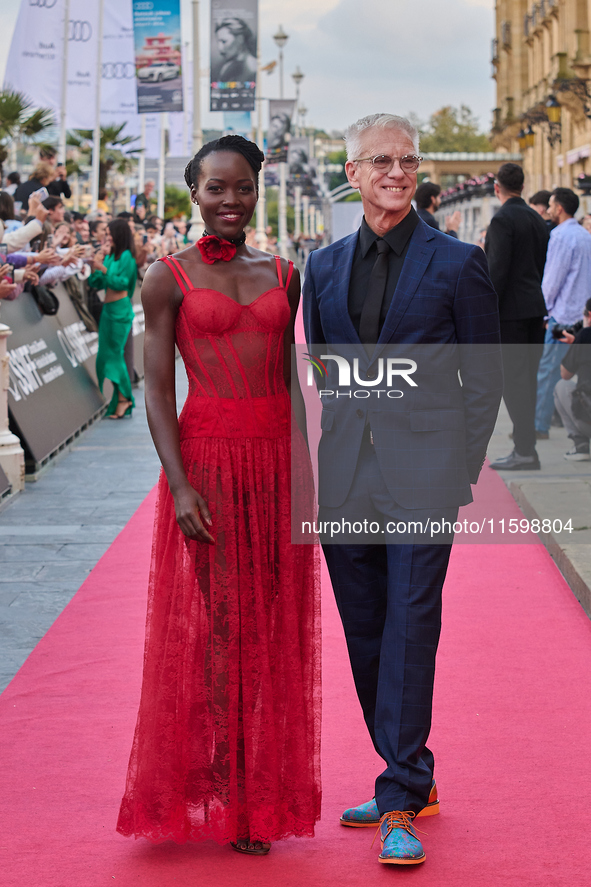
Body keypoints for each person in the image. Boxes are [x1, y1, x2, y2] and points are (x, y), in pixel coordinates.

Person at [303, 113, 502, 866]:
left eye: (407, 160)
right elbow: (328, 373)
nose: (396, 171)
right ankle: (410, 769)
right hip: (348, 479)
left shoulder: (456, 263)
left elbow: (484, 382)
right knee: (365, 632)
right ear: (350, 173)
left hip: (424, 480)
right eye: (380, 160)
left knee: (411, 628)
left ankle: (396, 798)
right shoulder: (320, 270)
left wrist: (456, 470)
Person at [116, 134, 320, 854]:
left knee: (265, 623)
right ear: (194, 193)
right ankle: (230, 781)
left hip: (273, 464)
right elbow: (158, 386)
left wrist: (306, 476)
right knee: (224, 624)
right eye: (215, 189)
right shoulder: (165, 277)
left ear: (258, 189)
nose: (229, 201)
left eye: (241, 188)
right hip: (208, 467)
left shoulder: (288, 274)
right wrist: (177, 483)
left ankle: (245, 768)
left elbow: (293, 385)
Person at [485, 162, 549, 471]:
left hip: (509, 313)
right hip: (534, 309)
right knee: (529, 382)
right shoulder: (536, 219)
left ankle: (524, 450)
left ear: (497, 188)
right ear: (522, 186)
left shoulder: (502, 220)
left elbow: (496, 271)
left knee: (512, 383)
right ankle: (527, 447)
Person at [535, 187, 591, 437]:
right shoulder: (585, 235)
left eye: (550, 204)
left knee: (548, 373)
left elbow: (552, 280)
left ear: (559, 207)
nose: (548, 209)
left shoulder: (559, 236)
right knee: (582, 374)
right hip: (583, 316)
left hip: (562, 316)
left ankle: (539, 425)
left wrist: (545, 313)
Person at [88, 218, 137, 418]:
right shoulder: (110, 257)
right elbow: (96, 282)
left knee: (115, 355)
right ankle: (120, 398)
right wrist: (96, 266)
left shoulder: (127, 257)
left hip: (120, 311)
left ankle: (125, 398)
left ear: (118, 234)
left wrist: (102, 268)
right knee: (105, 356)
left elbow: (122, 283)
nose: (106, 237)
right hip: (108, 311)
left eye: (109, 233)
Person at [554, 297, 591, 460]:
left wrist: (577, 344)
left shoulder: (585, 335)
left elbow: (565, 373)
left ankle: (580, 445)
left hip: (587, 421)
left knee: (561, 386)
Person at [213, 18, 257, 82]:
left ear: (240, 39)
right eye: (218, 42)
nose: (220, 48)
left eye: (224, 41)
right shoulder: (226, 67)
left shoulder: (252, 68)